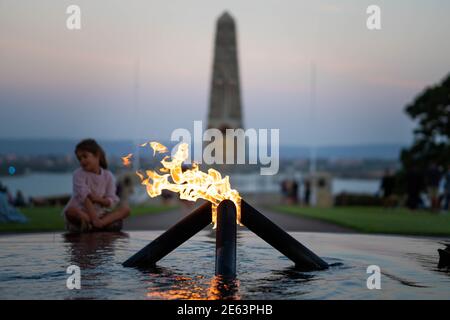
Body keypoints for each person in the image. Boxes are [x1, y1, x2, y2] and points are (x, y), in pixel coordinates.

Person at [63, 139, 130, 232]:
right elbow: (85, 197)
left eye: (85, 156)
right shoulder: (78, 174)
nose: (82, 160)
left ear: (97, 155)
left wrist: (99, 200)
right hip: (83, 213)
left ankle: (99, 224)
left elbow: (111, 201)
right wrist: (94, 219)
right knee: (70, 212)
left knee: (125, 210)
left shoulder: (108, 176)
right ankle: (99, 224)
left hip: (100, 214)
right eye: (79, 158)